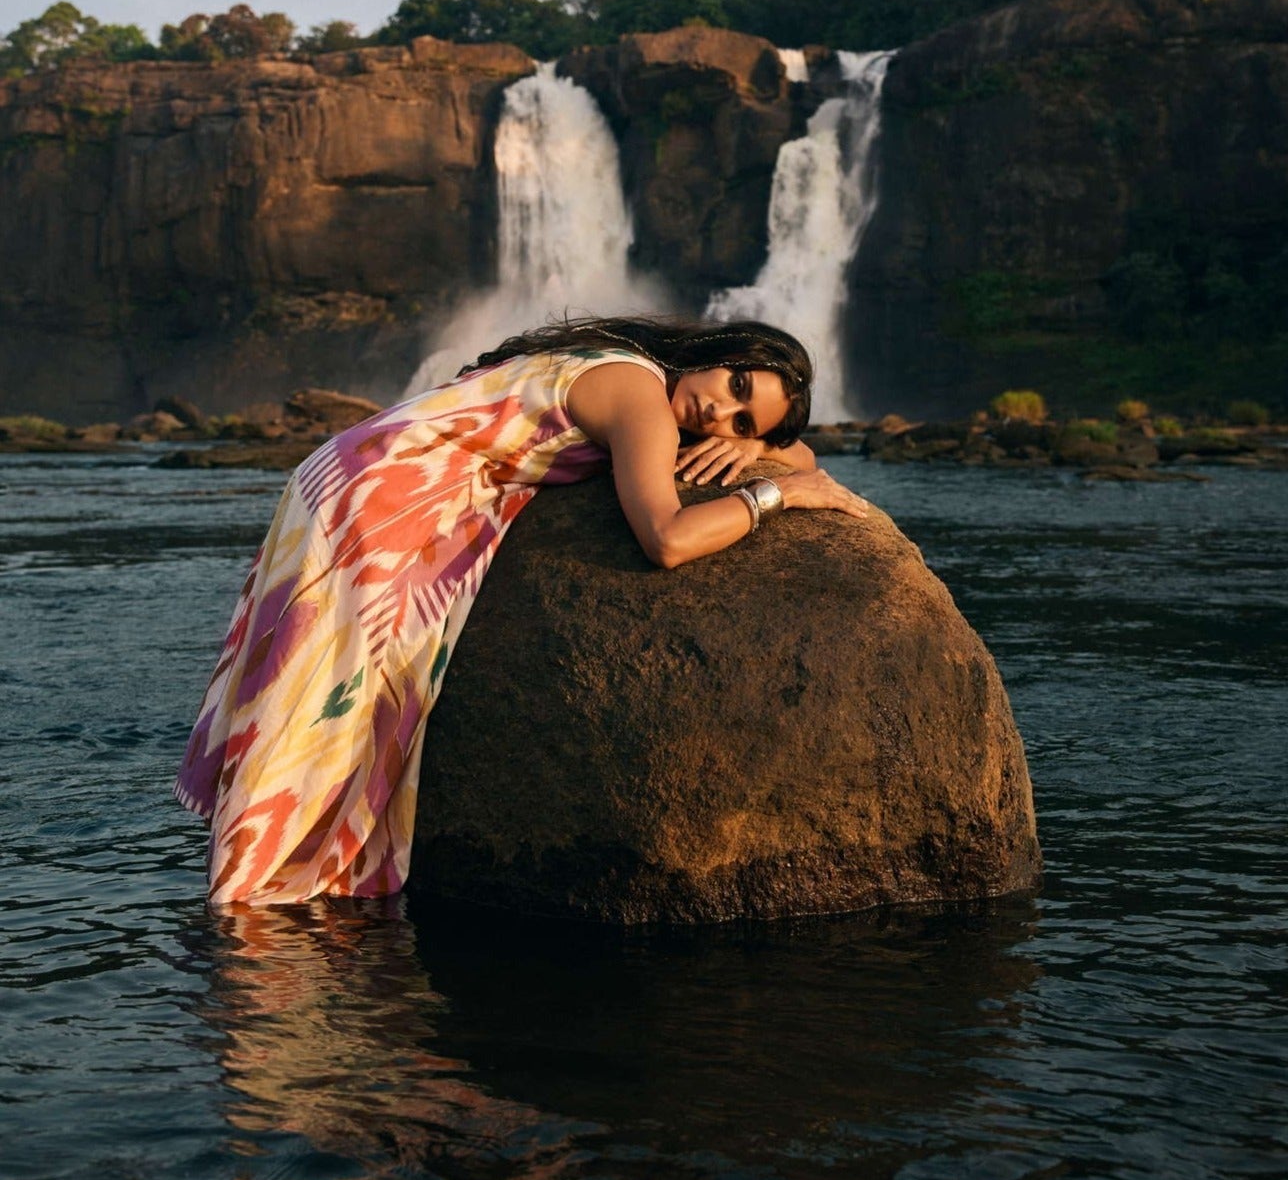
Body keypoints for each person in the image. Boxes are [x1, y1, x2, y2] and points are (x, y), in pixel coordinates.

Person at [174, 316, 868, 905]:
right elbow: (668, 539)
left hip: (347, 472)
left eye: (742, 418)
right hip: (378, 502)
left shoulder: (632, 366)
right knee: (330, 707)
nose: (718, 412)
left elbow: (793, 448)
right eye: (735, 386)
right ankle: (253, 895)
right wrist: (777, 497)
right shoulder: (643, 403)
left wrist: (760, 447)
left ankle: (250, 890)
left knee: (316, 693)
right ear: (722, 354)